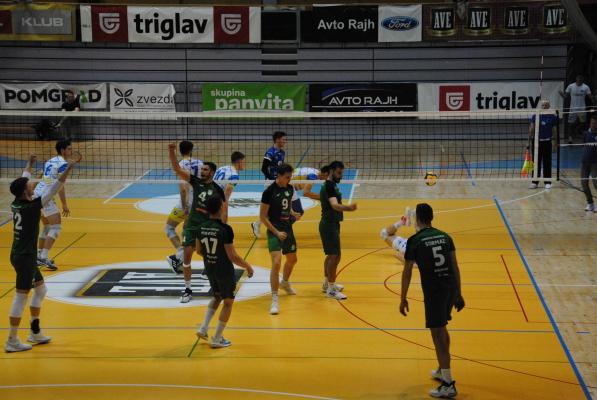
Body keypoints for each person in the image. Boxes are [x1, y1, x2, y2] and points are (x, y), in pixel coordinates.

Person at [6, 152, 80, 353]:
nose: (32, 183)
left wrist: (29, 164)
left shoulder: (17, 202)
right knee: (21, 296)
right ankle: (12, 340)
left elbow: (24, 177)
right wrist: (69, 168)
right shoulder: (32, 207)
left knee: (40, 290)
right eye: (29, 184)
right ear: (25, 191)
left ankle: (35, 332)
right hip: (24, 258)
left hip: (22, 255)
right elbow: (55, 186)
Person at [399, 203, 465, 399]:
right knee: (442, 329)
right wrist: (459, 293)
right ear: (431, 218)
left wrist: (403, 298)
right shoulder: (445, 236)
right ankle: (442, 368)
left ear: (418, 219)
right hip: (450, 288)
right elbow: (454, 266)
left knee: (437, 334)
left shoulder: (415, 241)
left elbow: (407, 272)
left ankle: (448, 384)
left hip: (435, 292)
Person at [168, 143, 226, 303]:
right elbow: (177, 169)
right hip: (192, 226)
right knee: (187, 257)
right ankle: (188, 290)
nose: (202, 171)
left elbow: (222, 211)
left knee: (210, 257)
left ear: (212, 172)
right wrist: (171, 151)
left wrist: (222, 227)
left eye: (205, 170)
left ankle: (218, 284)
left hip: (207, 227)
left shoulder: (217, 190)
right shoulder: (195, 181)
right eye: (202, 169)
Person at [196, 195, 254, 348]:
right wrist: (247, 266)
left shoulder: (200, 227)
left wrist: (212, 256)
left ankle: (203, 328)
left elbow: (198, 250)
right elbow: (233, 256)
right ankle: (216, 339)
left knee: (217, 296)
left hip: (210, 267)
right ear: (221, 208)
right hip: (224, 270)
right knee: (228, 303)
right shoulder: (225, 229)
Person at [259, 163, 301, 315]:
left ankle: (285, 282)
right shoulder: (269, 192)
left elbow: (287, 204)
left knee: (292, 260)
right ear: (279, 176)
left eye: (290, 177)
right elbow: (262, 217)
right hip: (274, 230)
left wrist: (293, 213)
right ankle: (274, 299)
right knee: (276, 263)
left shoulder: (289, 188)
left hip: (287, 228)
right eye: (287, 177)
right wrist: (276, 233)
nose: (289, 180)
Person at [319, 161, 357, 299]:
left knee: (332, 255)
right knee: (334, 256)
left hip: (333, 224)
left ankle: (326, 284)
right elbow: (334, 205)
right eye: (339, 173)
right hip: (329, 225)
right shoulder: (329, 186)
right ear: (332, 171)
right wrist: (349, 208)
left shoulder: (332, 185)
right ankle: (331, 289)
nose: (341, 176)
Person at [33, 139, 73, 271]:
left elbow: (44, 178)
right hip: (46, 196)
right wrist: (64, 204)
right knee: (56, 227)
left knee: (47, 225)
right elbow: (60, 186)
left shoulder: (50, 160)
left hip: (37, 193)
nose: (71, 151)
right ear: (62, 150)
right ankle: (44, 257)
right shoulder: (63, 164)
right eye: (69, 149)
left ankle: (39, 256)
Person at [165, 141, 203, 274]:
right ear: (191, 150)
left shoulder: (180, 165)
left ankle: (179, 255)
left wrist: (185, 207)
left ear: (180, 151)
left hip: (187, 203)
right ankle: (179, 259)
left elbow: (183, 189)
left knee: (169, 228)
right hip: (200, 202)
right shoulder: (201, 163)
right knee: (190, 233)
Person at [252, 131, 287, 239]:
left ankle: (257, 224)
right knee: (270, 206)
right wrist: (272, 180)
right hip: (271, 182)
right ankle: (258, 224)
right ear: (277, 140)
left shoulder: (282, 152)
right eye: (283, 139)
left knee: (274, 206)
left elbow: (281, 167)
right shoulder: (270, 153)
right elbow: (264, 168)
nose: (285, 141)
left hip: (278, 181)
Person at [528, 100, 558, 189]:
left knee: (547, 162)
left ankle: (547, 182)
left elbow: (554, 131)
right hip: (536, 142)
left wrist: (555, 143)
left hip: (547, 142)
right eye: (542, 105)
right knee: (535, 162)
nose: (544, 107)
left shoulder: (552, 117)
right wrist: (529, 140)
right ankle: (534, 182)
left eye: (545, 105)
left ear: (549, 106)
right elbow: (531, 128)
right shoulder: (536, 115)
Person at [560, 75, 592, 143]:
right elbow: (565, 96)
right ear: (576, 79)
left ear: (582, 79)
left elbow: (591, 97)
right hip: (573, 109)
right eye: (578, 78)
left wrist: (594, 97)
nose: (579, 80)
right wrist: (561, 94)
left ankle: (583, 137)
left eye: (581, 78)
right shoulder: (571, 86)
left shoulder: (586, 87)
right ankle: (570, 138)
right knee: (570, 124)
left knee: (583, 124)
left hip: (582, 109)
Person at [581, 114, 597, 212]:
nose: (593, 125)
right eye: (592, 123)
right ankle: (590, 203)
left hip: (595, 163)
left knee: (596, 184)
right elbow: (583, 145)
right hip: (585, 163)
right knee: (584, 183)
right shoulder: (585, 134)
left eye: (595, 123)